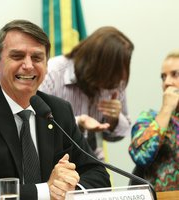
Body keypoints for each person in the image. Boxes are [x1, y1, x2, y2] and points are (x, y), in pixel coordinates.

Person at [0, 19, 110, 200]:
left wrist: (69, 187)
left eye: (37, 58)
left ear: (46, 65)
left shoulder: (57, 111)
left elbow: (97, 173)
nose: (28, 65)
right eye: (17, 56)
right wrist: (45, 191)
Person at [39, 26, 134, 160]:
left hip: (93, 163)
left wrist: (114, 120)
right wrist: (77, 123)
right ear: (94, 63)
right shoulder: (52, 73)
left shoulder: (116, 82)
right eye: (110, 74)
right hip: (53, 163)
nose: (113, 85)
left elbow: (120, 134)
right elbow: (37, 125)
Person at [128, 50, 179, 191]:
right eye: (163, 77)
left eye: (175, 74)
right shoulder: (149, 118)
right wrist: (167, 108)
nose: (167, 82)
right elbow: (141, 155)